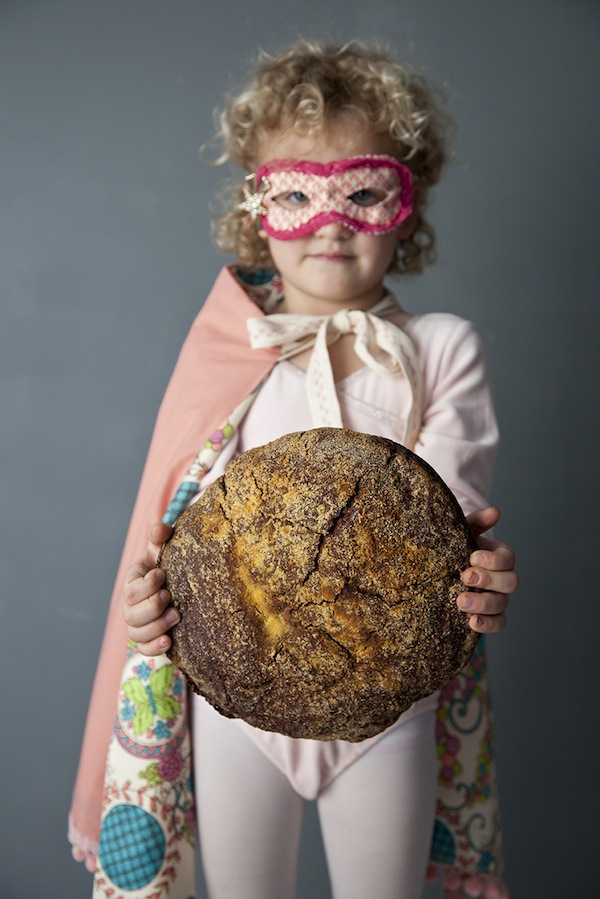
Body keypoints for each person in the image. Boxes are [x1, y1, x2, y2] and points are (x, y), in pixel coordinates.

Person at [69, 39, 519, 899]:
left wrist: (478, 575)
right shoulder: (224, 349)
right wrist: (150, 598)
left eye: (362, 191)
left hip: (388, 713)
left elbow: (444, 528)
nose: (330, 220)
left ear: (405, 204)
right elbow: (181, 525)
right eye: (295, 194)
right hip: (237, 710)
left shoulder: (441, 348)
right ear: (256, 208)